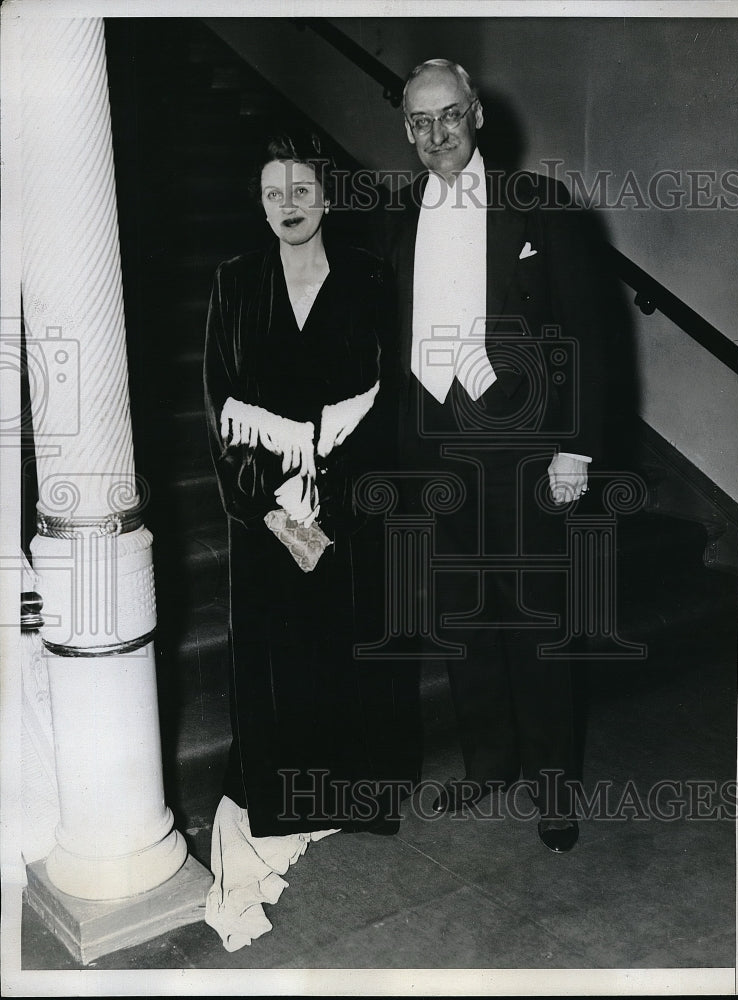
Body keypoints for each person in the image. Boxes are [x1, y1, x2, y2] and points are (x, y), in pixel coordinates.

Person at [383, 59, 609, 853]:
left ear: (475, 112)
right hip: (430, 440)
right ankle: (490, 759)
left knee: (536, 612)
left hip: (521, 446)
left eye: (447, 116)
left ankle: (553, 784)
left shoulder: (540, 207)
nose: (434, 135)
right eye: (417, 122)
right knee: (460, 612)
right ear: (405, 128)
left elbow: (586, 333)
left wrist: (575, 450)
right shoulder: (397, 211)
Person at [203, 130, 420, 949]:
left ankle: (357, 800)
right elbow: (220, 403)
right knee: (278, 659)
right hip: (266, 515)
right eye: (273, 194)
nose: (288, 206)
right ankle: (289, 799)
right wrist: (268, 511)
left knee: (351, 651)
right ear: (259, 205)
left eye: (301, 190)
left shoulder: (367, 274)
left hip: (346, 509)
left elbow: (384, 390)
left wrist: (332, 511)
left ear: (325, 198)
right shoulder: (233, 282)